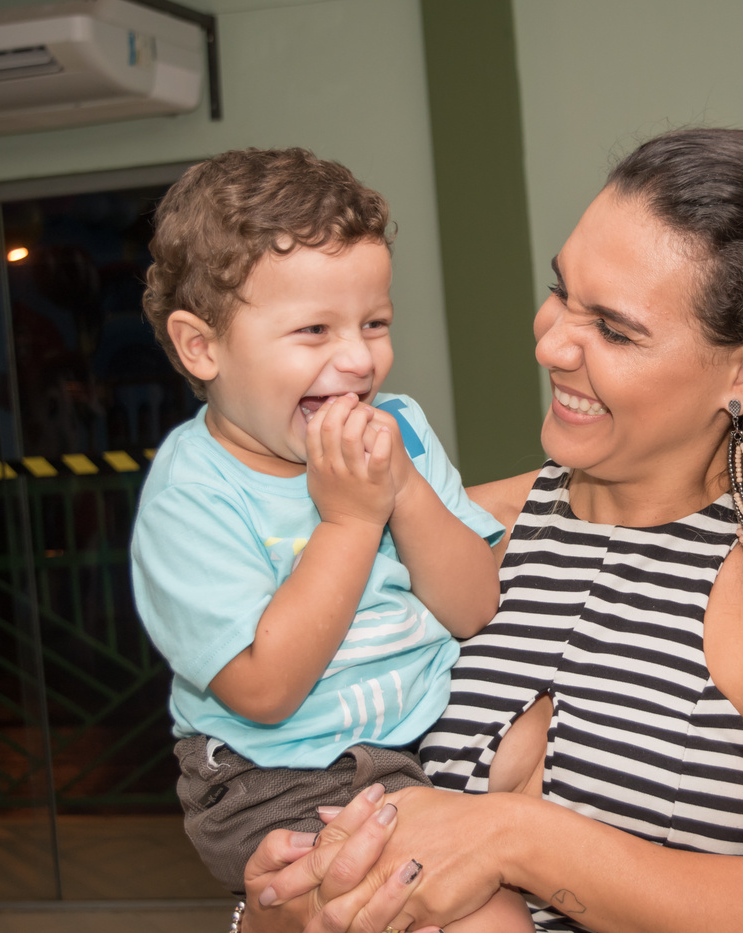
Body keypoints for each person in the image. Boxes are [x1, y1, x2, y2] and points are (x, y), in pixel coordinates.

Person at [240, 128, 743, 933]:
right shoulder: (453, 532)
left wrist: (513, 837)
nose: (550, 342)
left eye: (615, 329)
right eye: (561, 290)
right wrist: (276, 911)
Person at [132, 148, 533, 932]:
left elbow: (473, 606)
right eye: (313, 329)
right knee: (487, 918)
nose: (357, 359)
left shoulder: (400, 430)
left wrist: (404, 489)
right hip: (281, 775)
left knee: (570, 749)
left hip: (421, 724)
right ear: (201, 346)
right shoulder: (193, 496)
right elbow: (264, 691)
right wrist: (351, 521)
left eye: (374, 323)